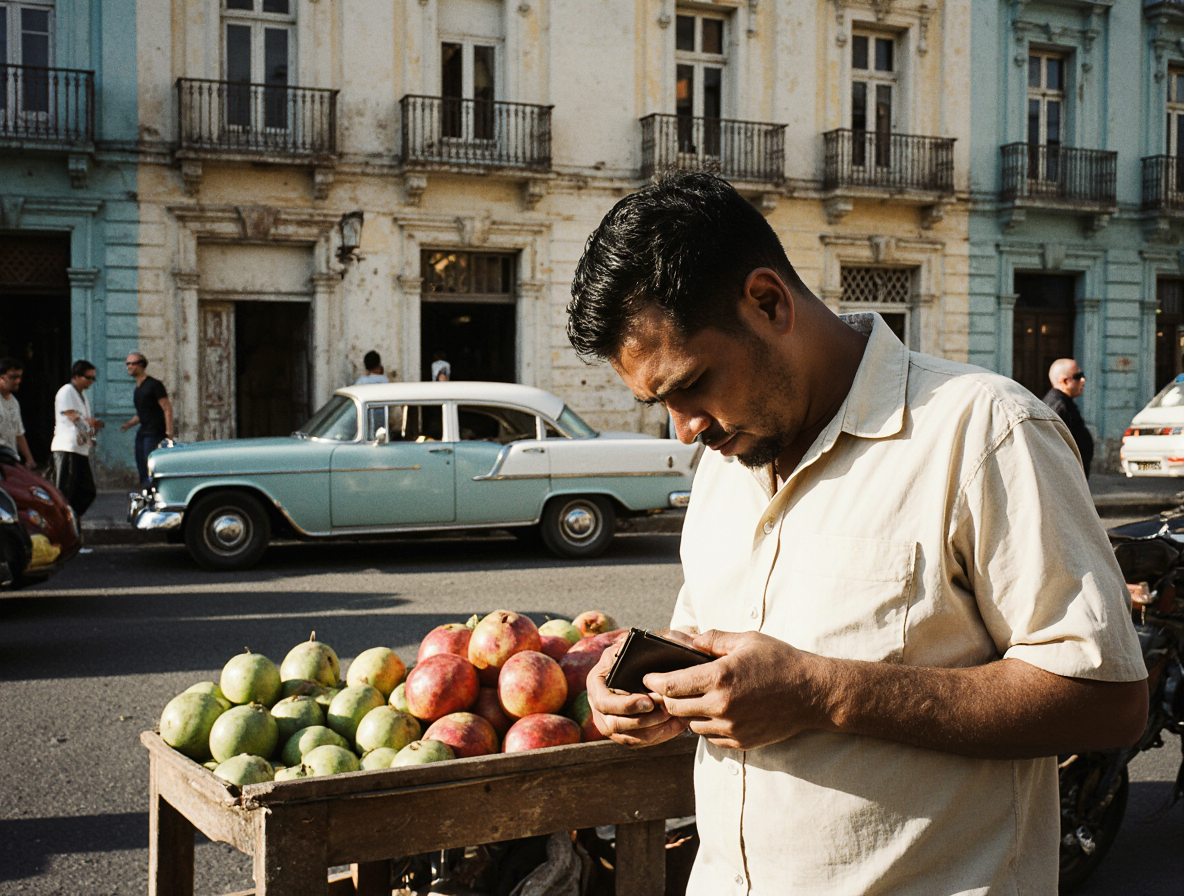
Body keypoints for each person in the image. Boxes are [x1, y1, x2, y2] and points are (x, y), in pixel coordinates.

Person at [568, 172, 1147, 895]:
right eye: (658, 403)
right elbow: (716, 650)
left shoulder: (985, 431)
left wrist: (824, 693)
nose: (683, 427)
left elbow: (1109, 700)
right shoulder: (726, 460)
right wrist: (652, 690)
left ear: (768, 302)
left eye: (689, 384)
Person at [52, 360, 104, 518]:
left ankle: (70, 519)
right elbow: (72, 415)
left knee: (87, 491)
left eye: (93, 378)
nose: (91, 382)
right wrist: (90, 423)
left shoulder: (82, 396)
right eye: (88, 377)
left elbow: (82, 420)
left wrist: (90, 433)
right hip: (67, 447)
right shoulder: (66, 391)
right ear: (76, 376)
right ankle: (61, 521)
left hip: (80, 448)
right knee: (66, 490)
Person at [118, 352, 174, 489]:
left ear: (141, 365)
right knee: (141, 466)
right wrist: (130, 423)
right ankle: (147, 494)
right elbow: (144, 411)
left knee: (151, 466)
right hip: (143, 432)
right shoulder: (138, 389)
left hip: (154, 432)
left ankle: (155, 493)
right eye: (127, 364)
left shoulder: (154, 385)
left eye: (133, 363)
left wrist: (168, 432)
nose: (129, 366)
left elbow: (167, 408)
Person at [1042, 358, 1094, 479]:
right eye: (1078, 376)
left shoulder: (1065, 403)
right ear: (1064, 381)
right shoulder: (1058, 406)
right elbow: (1054, 448)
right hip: (1065, 478)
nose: (1083, 380)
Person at [0, 357, 34, 467]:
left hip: (10, 459)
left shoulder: (14, 402)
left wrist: (29, 459)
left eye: (19, 377)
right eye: (13, 377)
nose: (18, 381)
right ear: (1, 376)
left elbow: (19, 434)